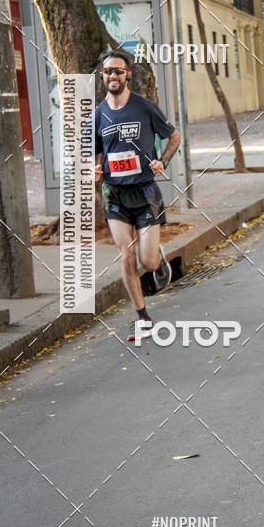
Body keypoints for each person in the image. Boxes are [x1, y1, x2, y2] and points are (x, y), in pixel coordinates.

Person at [93, 51, 181, 341]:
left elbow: (174, 136)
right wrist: (94, 170)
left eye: (118, 71)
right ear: (102, 76)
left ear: (127, 74)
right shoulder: (97, 115)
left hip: (145, 191)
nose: (113, 76)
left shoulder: (144, 107)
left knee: (148, 261)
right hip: (114, 194)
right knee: (127, 257)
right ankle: (143, 318)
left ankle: (159, 259)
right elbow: (92, 154)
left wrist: (163, 161)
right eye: (108, 72)